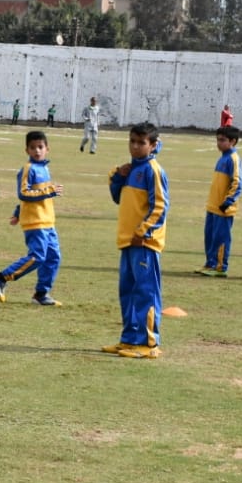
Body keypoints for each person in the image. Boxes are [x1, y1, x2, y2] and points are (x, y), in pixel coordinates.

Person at [104, 122, 167, 357]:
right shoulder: (131, 170)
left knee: (145, 292)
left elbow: (160, 206)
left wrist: (143, 232)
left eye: (142, 143)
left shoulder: (153, 170)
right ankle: (129, 339)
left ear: (153, 145)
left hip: (144, 243)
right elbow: (117, 198)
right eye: (132, 141)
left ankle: (149, 344)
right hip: (127, 241)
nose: (136, 147)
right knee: (128, 291)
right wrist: (117, 176)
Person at [0, 130, 63, 305]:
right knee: (38, 256)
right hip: (35, 222)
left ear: (47, 149)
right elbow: (23, 193)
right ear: (27, 150)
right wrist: (49, 191)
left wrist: (17, 212)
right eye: (33, 147)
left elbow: (31, 196)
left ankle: (41, 294)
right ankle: (1, 277)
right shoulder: (28, 169)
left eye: (40, 147)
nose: (37, 151)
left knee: (53, 258)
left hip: (48, 221)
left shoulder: (44, 168)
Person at [198, 125, 242, 277]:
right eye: (217, 139)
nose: (219, 143)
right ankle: (210, 263)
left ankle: (220, 267)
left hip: (223, 208)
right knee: (209, 237)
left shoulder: (233, 159)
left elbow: (237, 183)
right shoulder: (222, 157)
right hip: (213, 206)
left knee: (221, 238)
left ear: (233, 141)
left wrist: (228, 201)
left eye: (222, 140)